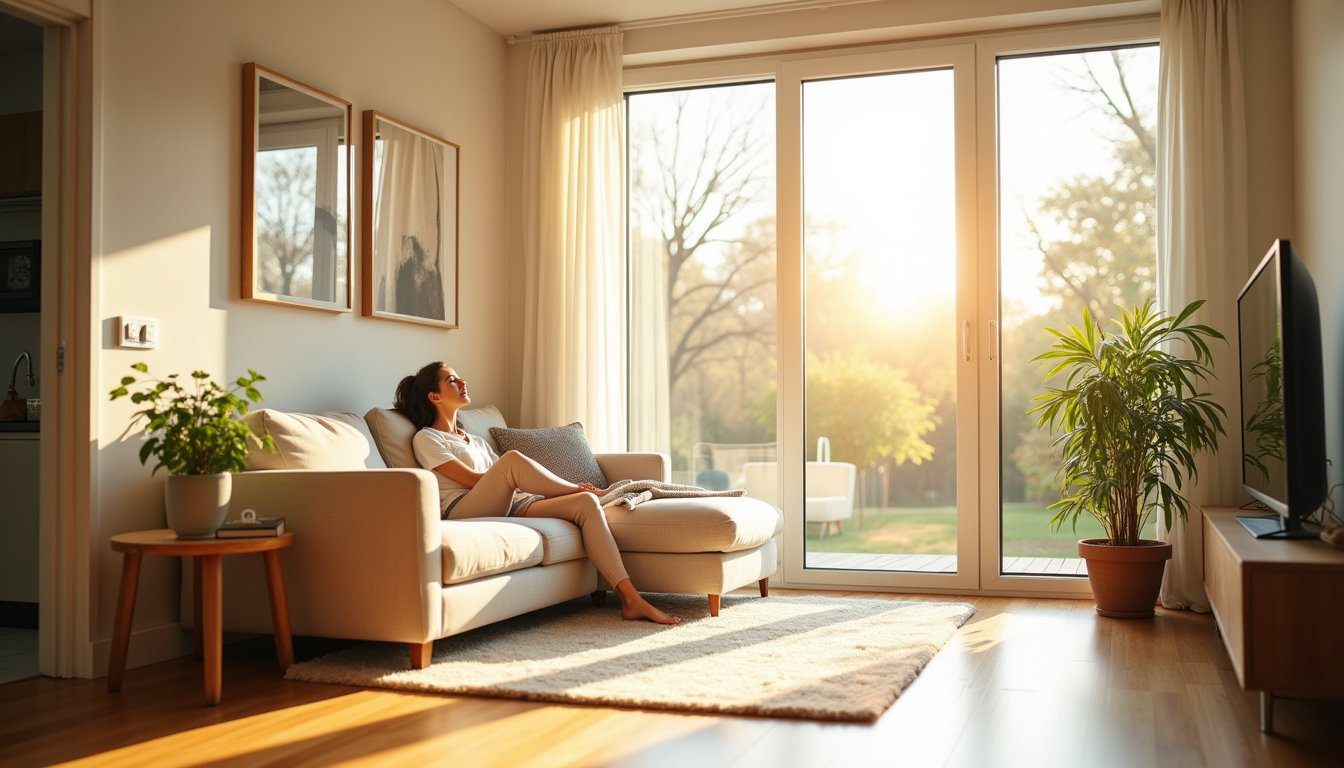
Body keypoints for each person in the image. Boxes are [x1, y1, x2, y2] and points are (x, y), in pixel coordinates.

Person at [394, 361, 680, 625]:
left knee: (586, 503)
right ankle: (581, 487)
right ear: (434, 396)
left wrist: (522, 486)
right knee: (513, 461)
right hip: (462, 510)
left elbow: (504, 482)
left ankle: (631, 599)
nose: (462, 382)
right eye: (452, 379)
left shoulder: (475, 440)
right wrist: (514, 479)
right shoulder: (427, 438)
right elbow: (472, 480)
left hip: (507, 503)